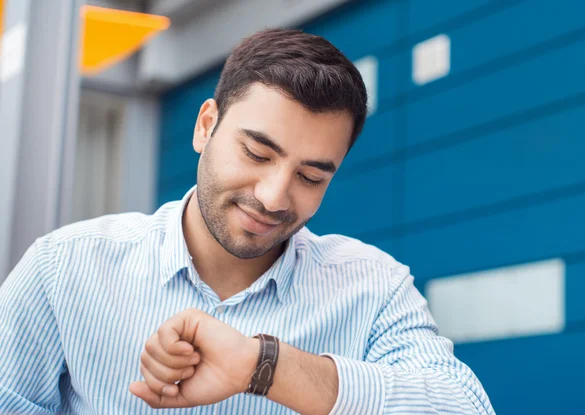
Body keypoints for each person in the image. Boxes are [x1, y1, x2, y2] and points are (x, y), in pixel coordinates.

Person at [0, 28, 495, 414]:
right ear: (205, 125)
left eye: (311, 176)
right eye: (257, 153)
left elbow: (465, 407)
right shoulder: (62, 269)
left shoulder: (373, 285)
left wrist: (265, 367)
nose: (274, 197)